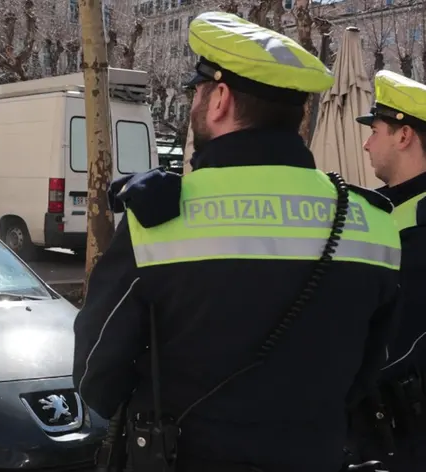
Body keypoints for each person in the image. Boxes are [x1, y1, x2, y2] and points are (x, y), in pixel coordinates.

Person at [72, 11, 402, 472]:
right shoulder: (373, 223)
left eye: (196, 91)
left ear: (220, 99)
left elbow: (95, 380)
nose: (193, 103)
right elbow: (370, 370)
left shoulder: (159, 216)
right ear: (300, 114)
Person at [349, 70, 426, 471]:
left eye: (375, 130)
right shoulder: (381, 206)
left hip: (403, 427)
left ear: (404, 135)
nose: (365, 144)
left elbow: (399, 340)